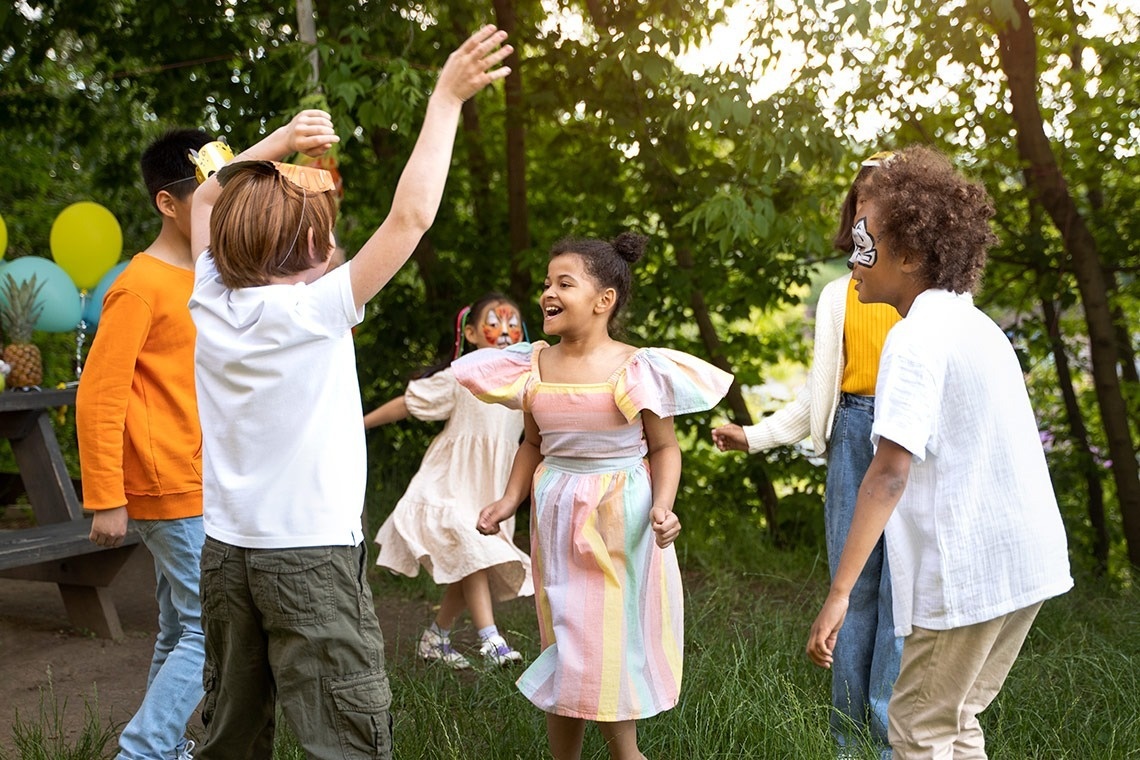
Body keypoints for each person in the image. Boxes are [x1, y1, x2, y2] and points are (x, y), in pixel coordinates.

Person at [186, 26, 512, 759]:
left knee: (231, 728)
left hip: (227, 553)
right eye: (327, 234)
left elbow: (208, 196)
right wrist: (446, 98)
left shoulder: (210, 295)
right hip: (310, 561)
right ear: (309, 254)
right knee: (346, 739)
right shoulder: (312, 311)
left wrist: (278, 139)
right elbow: (412, 217)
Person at [806, 146, 1073, 758]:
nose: (853, 257)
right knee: (953, 722)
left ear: (910, 254)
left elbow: (888, 475)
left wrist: (840, 592)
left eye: (865, 243)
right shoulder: (972, 325)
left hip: (973, 574)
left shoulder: (915, 339)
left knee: (917, 727)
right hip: (1024, 568)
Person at [452, 232, 733, 760]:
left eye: (565, 283)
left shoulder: (636, 367)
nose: (547, 293)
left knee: (603, 641)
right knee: (564, 635)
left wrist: (664, 506)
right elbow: (533, 445)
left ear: (605, 300)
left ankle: (628, 755)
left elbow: (665, 448)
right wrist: (509, 501)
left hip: (618, 518)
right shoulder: (533, 363)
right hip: (557, 513)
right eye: (546, 283)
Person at [711, 153, 903, 758]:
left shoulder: (933, 291)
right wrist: (755, 435)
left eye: (883, 207)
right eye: (861, 207)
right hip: (853, 434)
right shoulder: (837, 296)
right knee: (856, 588)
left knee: (905, 594)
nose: (867, 219)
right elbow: (822, 392)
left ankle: (893, 740)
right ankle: (849, 744)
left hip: (913, 440)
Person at [77, 128, 213, 760]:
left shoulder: (205, 279)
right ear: (168, 203)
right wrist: (106, 496)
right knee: (212, 631)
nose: (223, 210)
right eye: (211, 198)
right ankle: (145, 750)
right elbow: (99, 396)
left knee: (179, 627)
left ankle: (168, 743)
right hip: (167, 487)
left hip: (200, 479)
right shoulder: (139, 286)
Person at [367, 292, 534, 669]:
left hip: (494, 485)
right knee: (472, 547)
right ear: (472, 333)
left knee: (473, 560)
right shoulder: (462, 376)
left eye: (513, 324)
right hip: (453, 481)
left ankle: (436, 638)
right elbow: (410, 403)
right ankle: (491, 640)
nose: (505, 331)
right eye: (495, 323)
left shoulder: (527, 381)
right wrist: (358, 425)